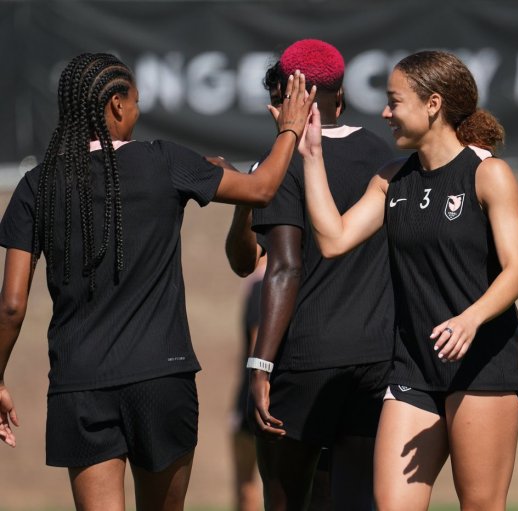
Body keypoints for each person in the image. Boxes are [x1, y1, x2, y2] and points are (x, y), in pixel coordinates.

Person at [0, 52, 314, 511]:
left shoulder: (36, 185)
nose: (138, 110)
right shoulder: (164, 160)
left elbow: (11, 305)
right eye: (136, 101)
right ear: (116, 105)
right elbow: (262, 188)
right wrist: (290, 128)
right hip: (162, 379)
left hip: (80, 385)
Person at [299, 50, 518, 511]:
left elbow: (517, 271)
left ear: (433, 104)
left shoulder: (488, 175)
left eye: (394, 102)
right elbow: (333, 240)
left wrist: (469, 320)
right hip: (413, 369)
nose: (385, 113)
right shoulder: (390, 180)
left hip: (483, 364)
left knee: (481, 504)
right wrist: (311, 156)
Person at [225, 39, 395, 511]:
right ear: (341, 95)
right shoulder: (383, 155)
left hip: (304, 361)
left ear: (293, 99)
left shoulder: (279, 164)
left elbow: (272, 265)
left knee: (285, 501)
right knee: (353, 501)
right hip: (376, 359)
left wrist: (260, 366)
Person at [230, 257, 267, 511]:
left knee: (246, 484)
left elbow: (258, 343)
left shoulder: (260, 284)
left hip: (255, 394)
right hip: (266, 392)